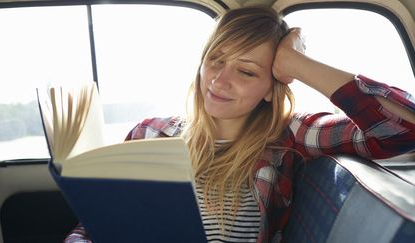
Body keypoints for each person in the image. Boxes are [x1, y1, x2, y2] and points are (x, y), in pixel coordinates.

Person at [64, 6, 415, 243]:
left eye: (246, 71)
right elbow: (93, 226)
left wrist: (298, 62)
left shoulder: (290, 138)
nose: (219, 79)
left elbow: (402, 129)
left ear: (271, 87)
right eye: (215, 59)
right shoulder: (148, 134)